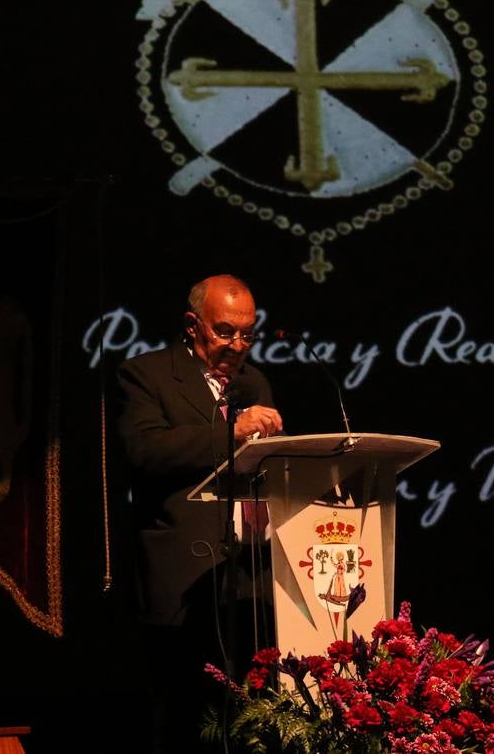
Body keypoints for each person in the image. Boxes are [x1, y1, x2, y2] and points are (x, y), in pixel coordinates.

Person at [117, 274, 284, 751]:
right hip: (182, 572)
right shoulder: (146, 374)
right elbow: (145, 450)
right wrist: (232, 433)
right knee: (183, 714)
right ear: (193, 325)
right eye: (225, 331)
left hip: (246, 572)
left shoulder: (253, 382)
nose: (238, 344)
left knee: (250, 716)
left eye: (247, 334)